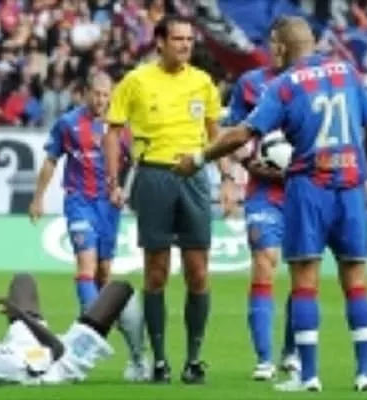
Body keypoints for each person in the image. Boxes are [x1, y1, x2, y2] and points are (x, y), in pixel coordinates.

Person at [173, 17, 367, 392]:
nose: (270, 49)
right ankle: (365, 373)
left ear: (282, 47)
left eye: (273, 43)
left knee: (304, 280)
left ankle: (309, 376)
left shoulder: (285, 85)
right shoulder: (348, 72)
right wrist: (362, 171)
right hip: (350, 188)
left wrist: (200, 159)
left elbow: (241, 133)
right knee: (356, 280)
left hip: (308, 187)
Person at [103, 15, 236, 384]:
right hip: (154, 176)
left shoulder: (202, 82)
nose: (185, 45)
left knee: (198, 271)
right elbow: (113, 132)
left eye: (189, 39)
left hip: (195, 177)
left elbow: (215, 133)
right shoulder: (136, 80)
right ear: (159, 42)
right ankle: (160, 360)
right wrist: (113, 181)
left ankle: (193, 360)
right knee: (156, 271)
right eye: (178, 39)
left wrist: (227, 178)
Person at [28, 72, 148, 381]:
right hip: (79, 201)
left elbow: (134, 165)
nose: (101, 100)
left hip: (109, 207)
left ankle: (116, 338)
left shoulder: (121, 128)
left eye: (106, 95)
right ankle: (90, 335)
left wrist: (125, 191)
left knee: (104, 274)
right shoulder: (68, 124)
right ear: (85, 93)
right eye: (96, 94)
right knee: (86, 264)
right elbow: (51, 160)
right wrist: (38, 198)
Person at [224, 46, 298, 380]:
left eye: (284, 43)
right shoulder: (250, 83)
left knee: (302, 271)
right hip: (263, 192)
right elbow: (233, 132)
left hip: (302, 190)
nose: (278, 49)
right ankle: (264, 358)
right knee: (264, 264)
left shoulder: (311, 82)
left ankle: (292, 351)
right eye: (274, 42)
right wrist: (246, 162)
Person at [0, 273, 134, 385]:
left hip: (17, 347)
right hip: (59, 362)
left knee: (23, 280)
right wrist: (21, 315)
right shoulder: (7, 367)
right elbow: (57, 349)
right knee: (119, 289)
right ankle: (138, 361)